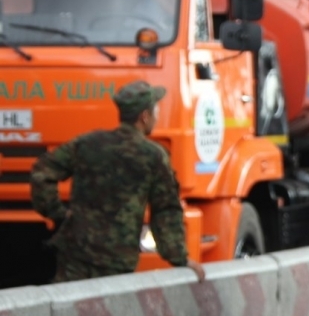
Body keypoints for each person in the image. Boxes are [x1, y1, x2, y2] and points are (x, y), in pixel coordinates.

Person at [30, 80, 205, 283]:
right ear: (145, 116)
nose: (157, 116)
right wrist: (179, 258)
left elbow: (42, 173)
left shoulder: (87, 143)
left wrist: (58, 214)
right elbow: (166, 210)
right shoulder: (153, 156)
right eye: (155, 110)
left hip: (74, 254)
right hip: (116, 261)